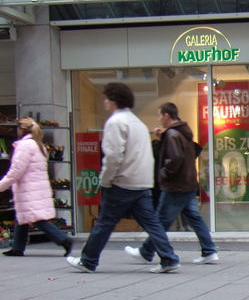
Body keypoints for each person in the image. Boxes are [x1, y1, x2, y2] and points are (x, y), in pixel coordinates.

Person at [66, 82, 180, 273]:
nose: (104, 101)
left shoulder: (115, 122)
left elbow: (113, 156)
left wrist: (105, 180)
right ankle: (169, 258)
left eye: (106, 98)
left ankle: (88, 260)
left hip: (122, 182)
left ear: (113, 100)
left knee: (105, 222)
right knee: (152, 223)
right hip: (141, 182)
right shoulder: (138, 124)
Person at [125, 102, 219, 265]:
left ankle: (146, 251)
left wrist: (163, 173)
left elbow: (174, 158)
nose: (159, 119)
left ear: (166, 115)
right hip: (187, 182)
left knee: (161, 219)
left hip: (176, 185)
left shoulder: (172, 135)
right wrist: (163, 137)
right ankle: (209, 250)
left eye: (159, 115)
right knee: (194, 217)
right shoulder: (182, 132)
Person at [0, 117, 73, 257]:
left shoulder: (25, 146)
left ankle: (63, 240)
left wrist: (2, 185)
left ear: (22, 130)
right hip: (36, 187)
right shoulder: (38, 145)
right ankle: (18, 248)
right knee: (23, 217)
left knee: (36, 218)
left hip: (28, 189)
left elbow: (16, 170)